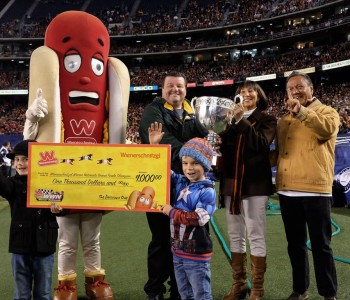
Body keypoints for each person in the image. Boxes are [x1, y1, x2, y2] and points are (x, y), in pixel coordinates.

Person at [138, 71, 208, 300]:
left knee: (185, 239)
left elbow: (205, 138)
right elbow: (163, 141)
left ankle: (180, 290)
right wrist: (193, 153)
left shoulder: (194, 113)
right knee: (160, 239)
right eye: (170, 86)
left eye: (179, 86)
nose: (175, 90)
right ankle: (155, 290)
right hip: (161, 184)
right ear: (163, 89)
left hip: (190, 186)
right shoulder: (153, 110)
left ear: (186, 89)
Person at [275, 71, 339, 300]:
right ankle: (300, 290)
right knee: (295, 245)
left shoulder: (327, 111)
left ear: (311, 88)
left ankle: (328, 294)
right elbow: (279, 155)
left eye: (300, 86)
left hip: (315, 189)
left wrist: (301, 112)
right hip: (287, 189)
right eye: (290, 89)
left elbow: (326, 130)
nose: (295, 91)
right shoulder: (283, 120)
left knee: (321, 246)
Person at [218, 80, 277, 300]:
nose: (246, 94)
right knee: (234, 235)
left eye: (251, 90)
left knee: (255, 234)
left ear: (259, 95)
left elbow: (260, 144)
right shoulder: (227, 120)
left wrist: (240, 120)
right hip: (231, 183)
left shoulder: (268, 119)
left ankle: (258, 288)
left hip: (255, 185)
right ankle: (239, 284)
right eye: (242, 91)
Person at [149, 122, 216, 300]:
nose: (189, 168)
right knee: (184, 294)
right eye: (185, 163)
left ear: (205, 165)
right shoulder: (182, 181)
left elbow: (199, 219)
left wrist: (172, 212)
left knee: (201, 295)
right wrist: (155, 147)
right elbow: (162, 169)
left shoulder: (207, 190)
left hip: (196, 254)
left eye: (195, 163)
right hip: (177, 252)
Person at [0, 139, 64, 300]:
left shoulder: (52, 182)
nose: (20, 163)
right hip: (20, 247)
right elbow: (2, 186)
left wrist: (61, 209)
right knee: (21, 294)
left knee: (43, 293)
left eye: (25, 159)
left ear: (37, 160)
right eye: (17, 159)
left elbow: (66, 205)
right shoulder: (13, 184)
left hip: (45, 246)